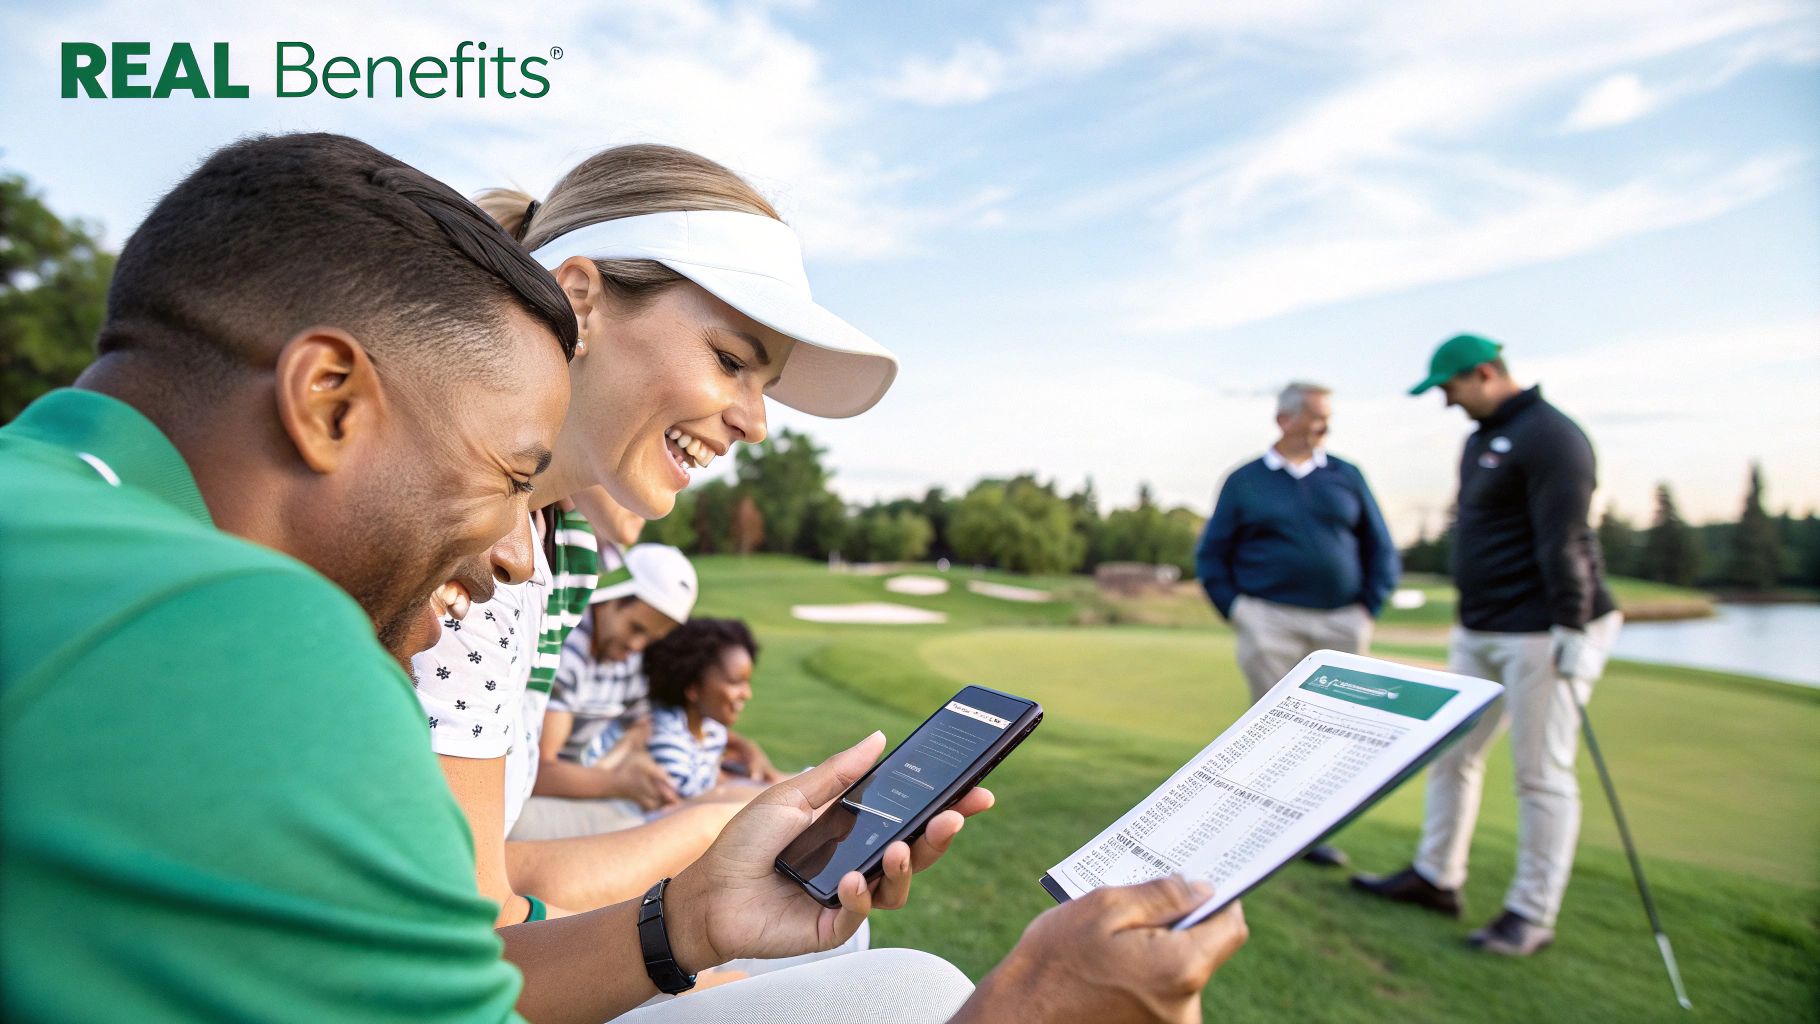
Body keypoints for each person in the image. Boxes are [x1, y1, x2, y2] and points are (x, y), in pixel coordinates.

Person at [1353, 333, 1624, 958]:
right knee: (1450, 755)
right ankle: (1436, 877)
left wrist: (1572, 627)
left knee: (1539, 774)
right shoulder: (1481, 438)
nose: (1448, 403)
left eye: (1451, 389)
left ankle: (1531, 914)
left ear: (1484, 374)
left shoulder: (1554, 436)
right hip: (1481, 627)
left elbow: (1568, 538)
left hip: (1543, 629)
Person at [1194, 381, 1400, 867]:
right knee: (1276, 731)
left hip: (1343, 621)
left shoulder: (1347, 475)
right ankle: (1262, 828)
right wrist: (1238, 610)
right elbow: (1211, 555)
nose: (1323, 425)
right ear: (1285, 419)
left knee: (1330, 734)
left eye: (1327, 416)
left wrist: (1369, 605)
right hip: (1269, 620)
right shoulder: (1244, 480)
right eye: (1314, 415)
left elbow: (1381, 548)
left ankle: (1309, 834)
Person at [586, 618, 764, 799]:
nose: (747, 694)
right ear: (693, 689)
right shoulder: (664, 735)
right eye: (735, 682)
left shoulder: (712, 730)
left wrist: (750, 753)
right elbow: (683, 805)